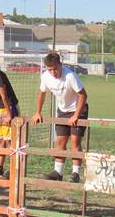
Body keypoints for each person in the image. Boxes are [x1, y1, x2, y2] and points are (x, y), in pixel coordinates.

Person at [31, 51, 87, 182]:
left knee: (74, 140)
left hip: (78, 108)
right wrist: (38, 112)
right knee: (60, 141)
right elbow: (42, 93)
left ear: (60, 65)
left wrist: (76, 115)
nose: (53, 72)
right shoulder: (45, 76)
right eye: (50, 69)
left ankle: (75, 173)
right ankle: (58, 172)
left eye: (55, 69)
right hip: (62, 109)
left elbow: (83, 95)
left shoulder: (70, 76)